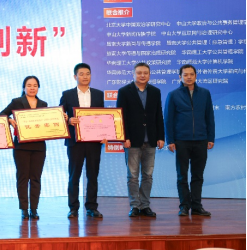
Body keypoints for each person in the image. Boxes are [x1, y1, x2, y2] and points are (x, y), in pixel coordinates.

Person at [165, 64, 215, 217]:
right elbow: (168, 119)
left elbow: (209, 117)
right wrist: (170, 140)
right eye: (185, 75)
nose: (188, 77)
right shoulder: (173, 95)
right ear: (180, 77)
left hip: (201, 140)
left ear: (196, 76)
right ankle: (184, 206)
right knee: (182, 176)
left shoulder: (205, 93)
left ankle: (197, 206)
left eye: (191, 74)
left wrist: (210, 137)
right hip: (181, 141)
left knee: (198, 175)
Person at [116, 62, 165, 218]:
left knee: (148, 175)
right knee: (133, 176)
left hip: (150, 139)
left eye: (145, 73)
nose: (142, 75)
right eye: (139, 73)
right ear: (133, 74)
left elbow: (158, 115)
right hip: (132, 140)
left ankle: (145, 205)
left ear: (149, 75)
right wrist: (125, 137)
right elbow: (120, 117)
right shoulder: (124, 91)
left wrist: (161, 136)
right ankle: (135, 206)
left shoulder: (155, 91)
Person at [1, 76, 50, 221]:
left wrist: (61, 118)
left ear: (38, 87)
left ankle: (34, 208)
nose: (32, 88)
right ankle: (24, 209)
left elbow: (48, 121)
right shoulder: (17, 101)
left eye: (35, 85)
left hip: (39, 146)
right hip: (21, 146)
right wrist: (9, 119)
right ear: (24, 87)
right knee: (22, 178)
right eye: (29, 85)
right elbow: (2, 115)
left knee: (36, 178)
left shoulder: (43, 104)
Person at [60, 63, 106, 219]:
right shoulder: (67, 95)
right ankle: (73, 208)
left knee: (93, 175)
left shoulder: (98, 94)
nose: (85, 76)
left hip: (94, 142)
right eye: (81, 74)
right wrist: (68, 120)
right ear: (75, 76)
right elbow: (60, 116)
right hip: (75, 142)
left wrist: (105, 133)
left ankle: (92, 207)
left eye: (88, 73)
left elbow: (103, 118)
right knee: (74, 175)